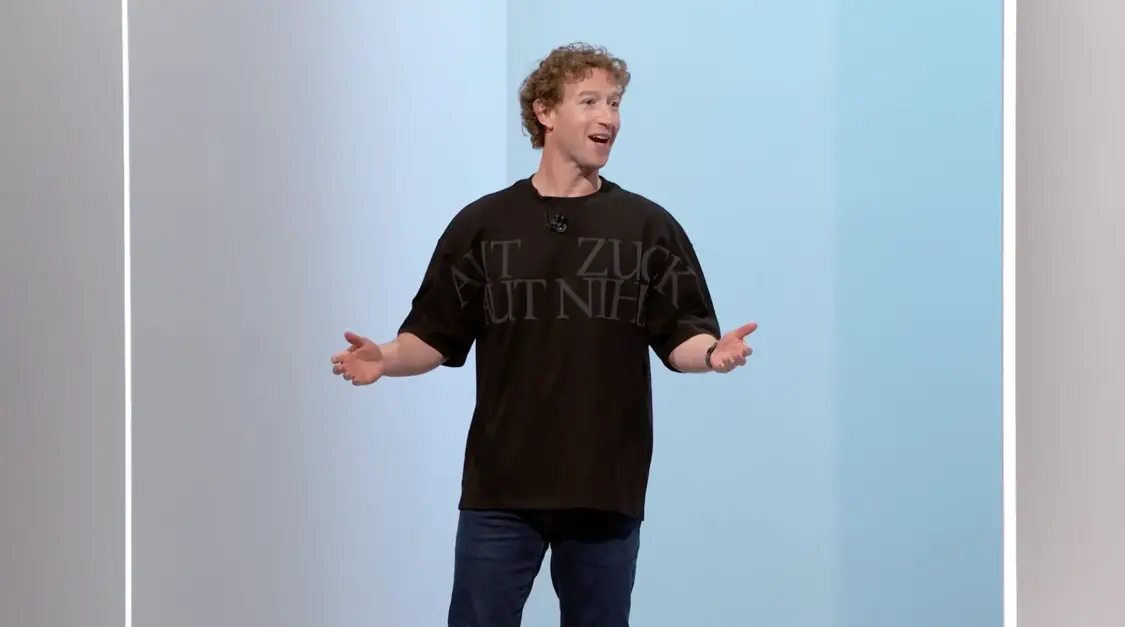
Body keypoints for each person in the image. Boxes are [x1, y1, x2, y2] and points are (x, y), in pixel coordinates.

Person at [331, 42, 757, 627]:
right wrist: (384, 357)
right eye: (590, 101)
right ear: (545, 111)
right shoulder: (484, 224)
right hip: (501, 489)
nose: (608, 117)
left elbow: (679, 334)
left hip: (604, 485)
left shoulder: (647, 227)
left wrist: (712, 354)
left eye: (614, 102)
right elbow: (433, 334)